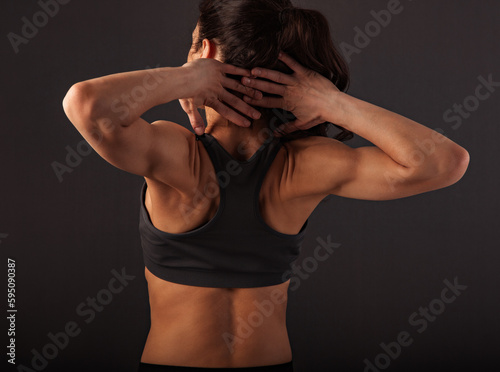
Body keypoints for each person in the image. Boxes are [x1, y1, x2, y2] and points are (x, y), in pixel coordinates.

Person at [62, 0, 470, 371]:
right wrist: (333, 104)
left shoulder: (176, 155)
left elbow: (85, 105)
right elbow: (441, 162)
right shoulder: (305, 163)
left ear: (204, 52)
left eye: (192, 47)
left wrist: (185, 79)